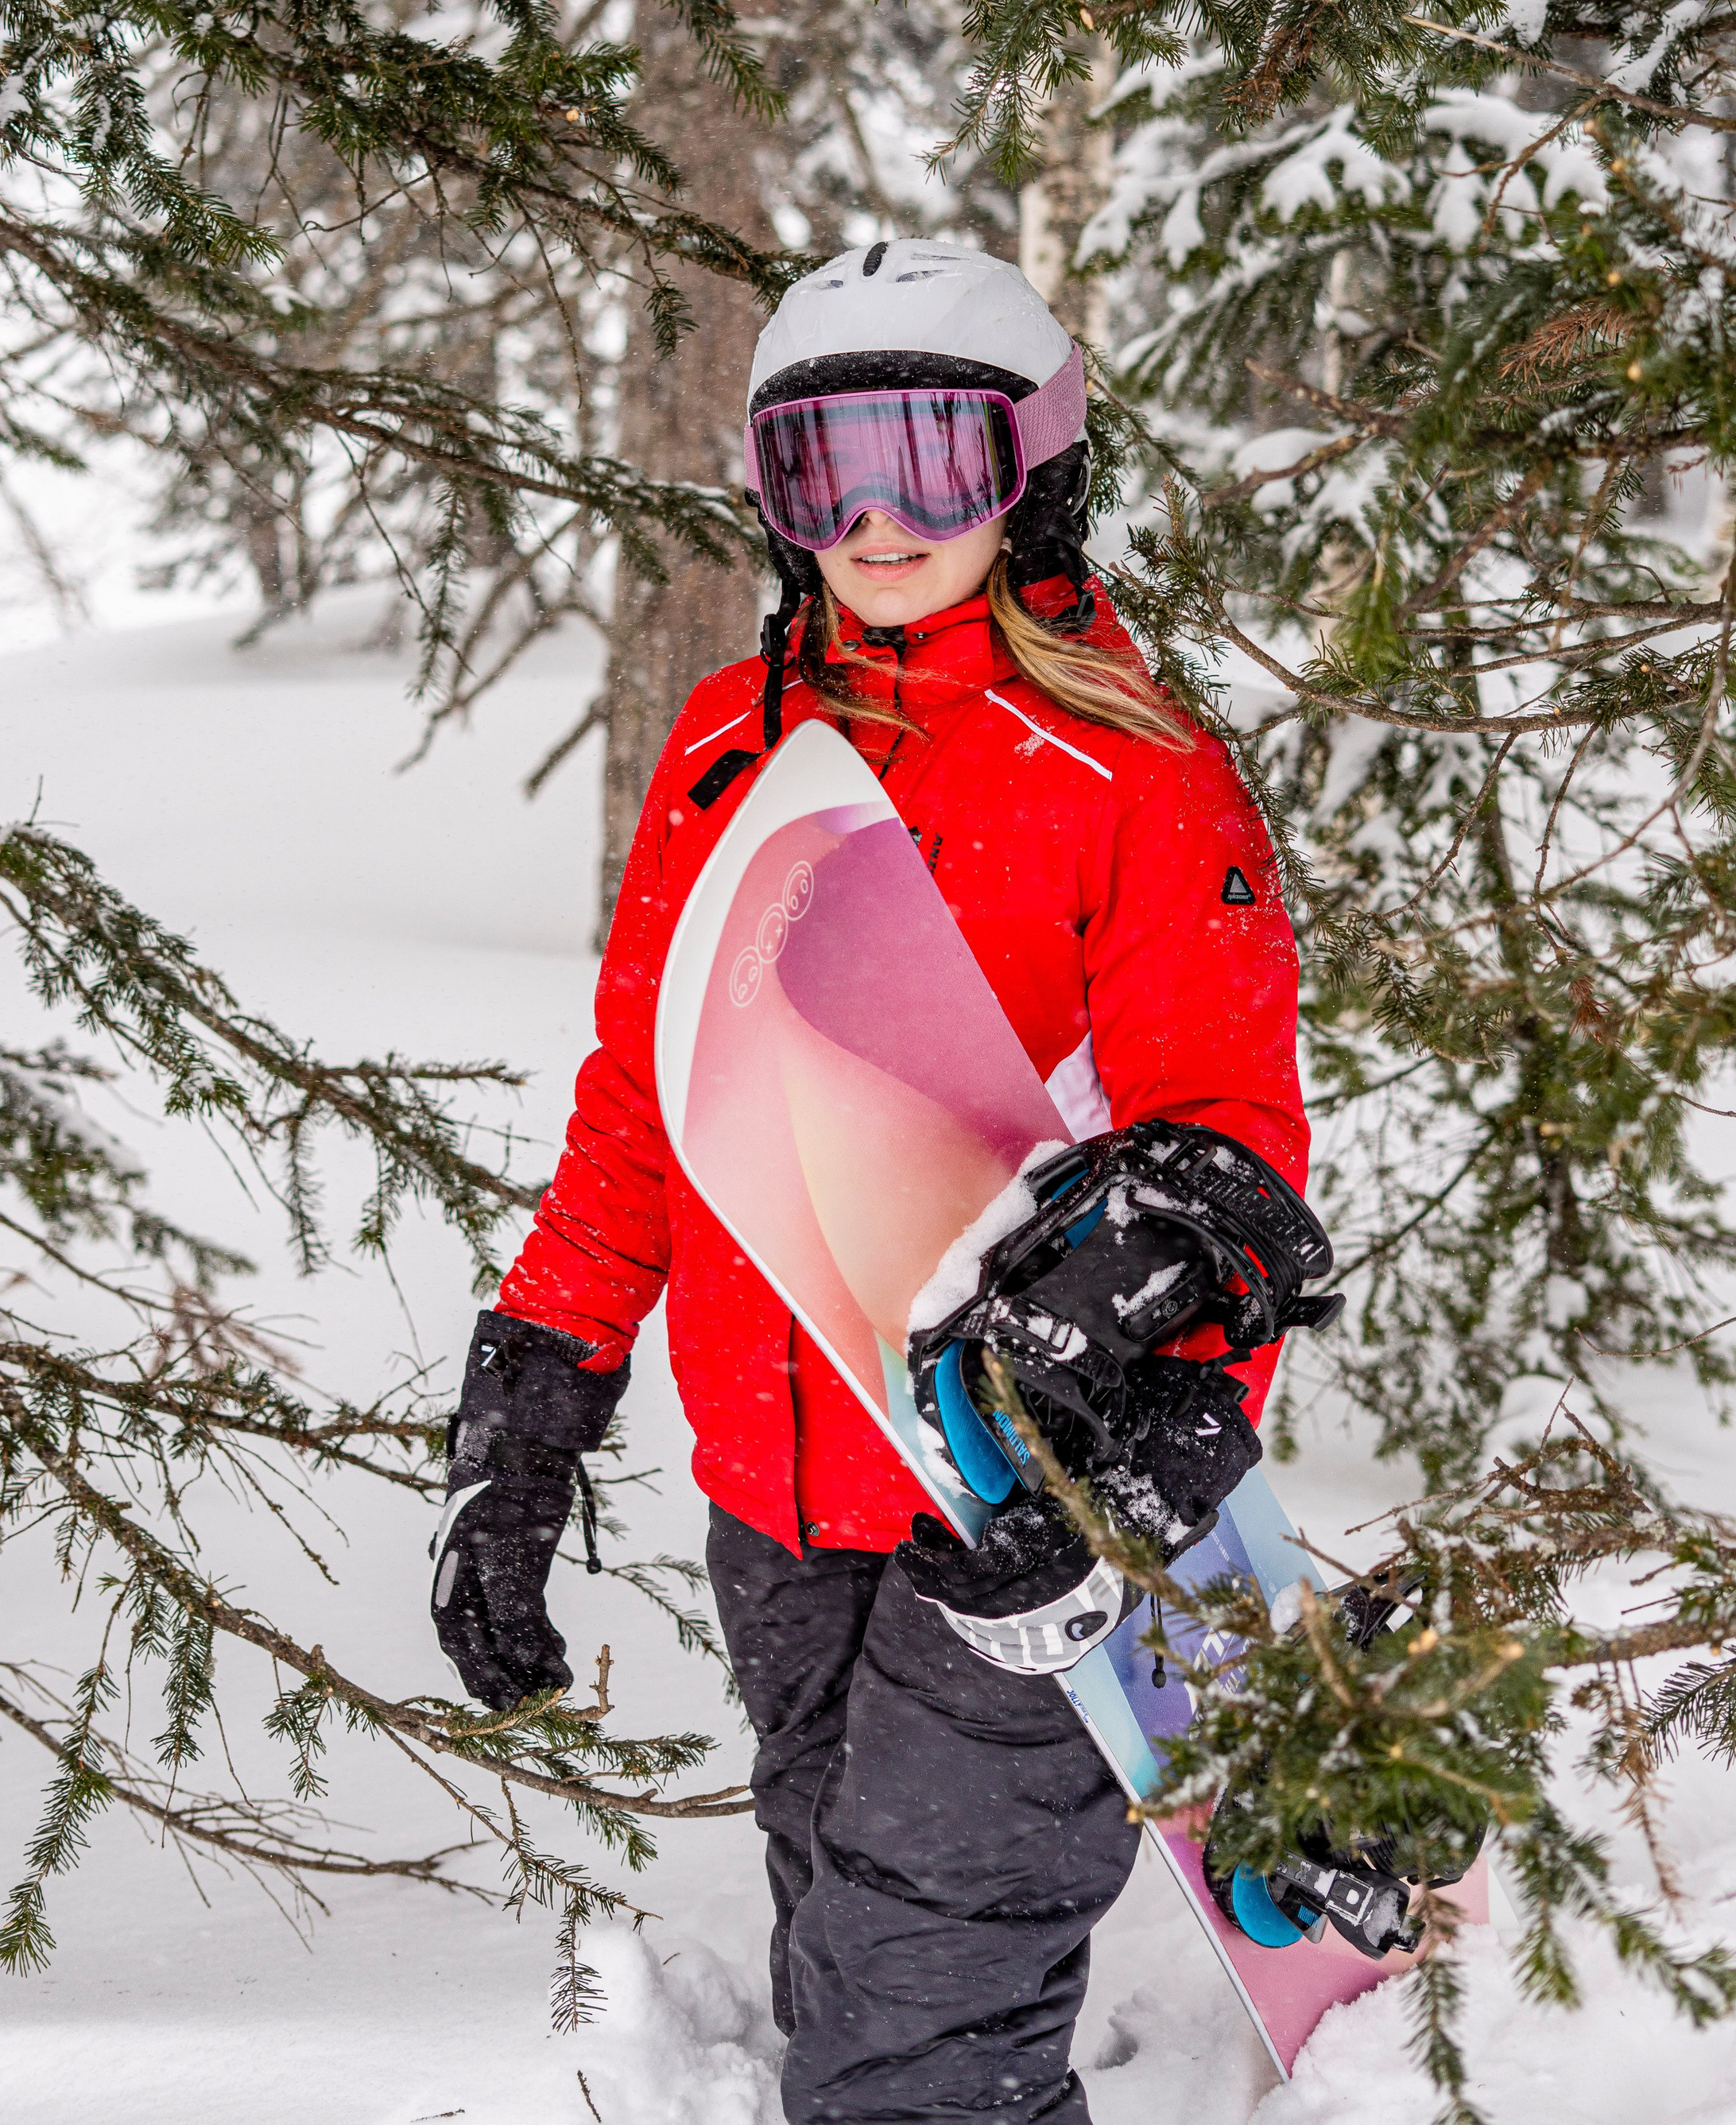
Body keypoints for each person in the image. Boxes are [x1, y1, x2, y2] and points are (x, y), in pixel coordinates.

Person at [428, 241, 1310, 2125]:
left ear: (1034, 476)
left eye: (933, 459)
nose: (880, 519)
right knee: (854, 1964)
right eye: (824, 471)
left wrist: (1149, 1445)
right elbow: (646, 1106)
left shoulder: (1131, 771)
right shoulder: (726, 752)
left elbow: (1229, 1148)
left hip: (1012, 1515)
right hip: (778, 1508)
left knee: (908, 2058)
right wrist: (533, 1407)